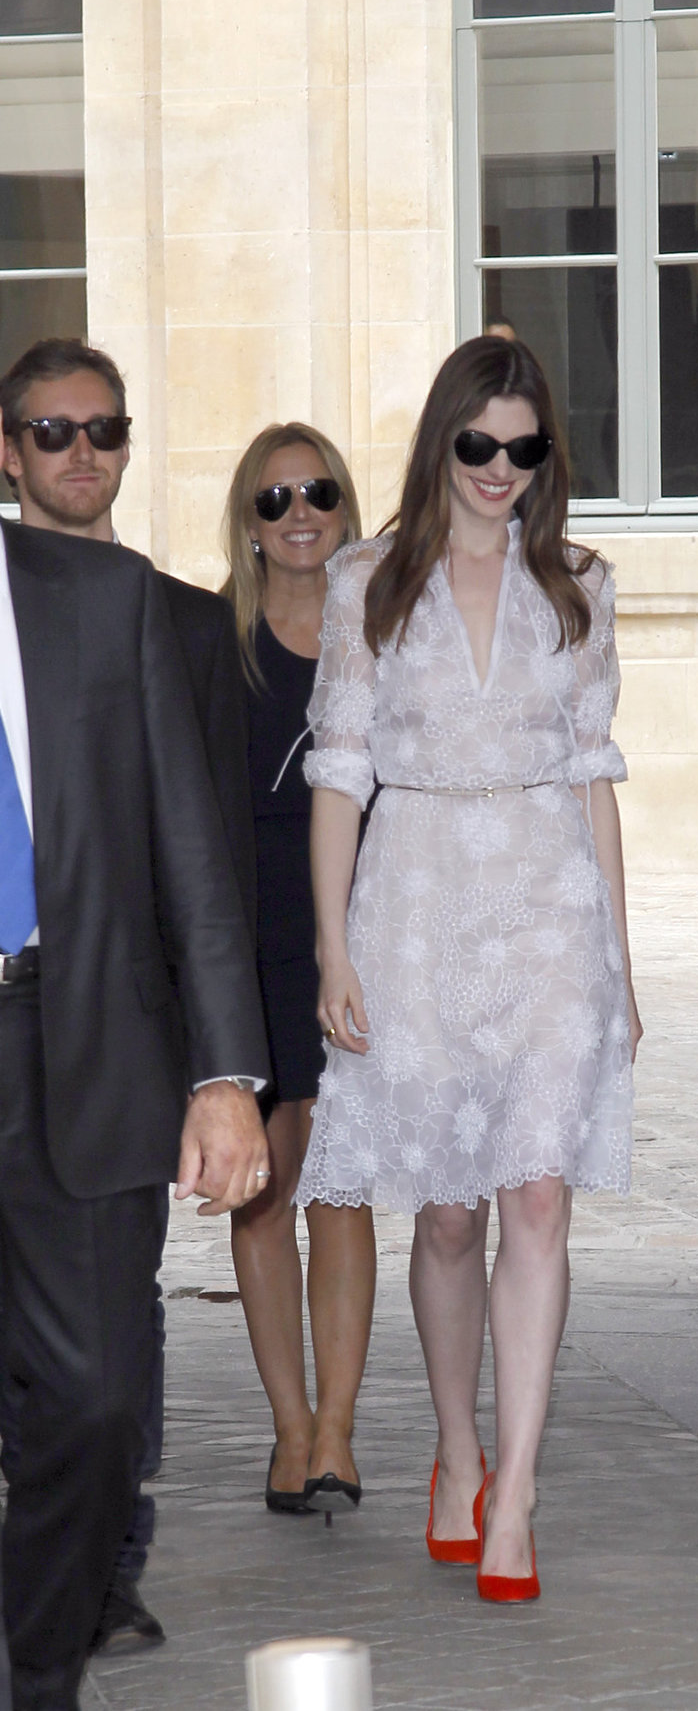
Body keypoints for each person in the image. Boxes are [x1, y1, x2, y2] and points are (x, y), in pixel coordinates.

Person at [297, 335, 640, 1602]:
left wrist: (617, 959)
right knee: (447, 1208)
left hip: (548, 904)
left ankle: (522, 1497)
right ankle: (457, 1451)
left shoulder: (582, 586)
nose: (501, 469)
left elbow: (597, 778)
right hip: (418, 902)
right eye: (478, 444)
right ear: (442, 441)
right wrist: (335, 946)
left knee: (537, 1197)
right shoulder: (367, 582)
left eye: (526, 447)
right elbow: (339, 772)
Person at [0, 398, 269, 1709]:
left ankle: (41, 1662)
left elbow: (191, 851)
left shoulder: (98, 598)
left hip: (79, 1034)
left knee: (98, 1397)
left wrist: (224, 1074)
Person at [220, 424, 378, 1516]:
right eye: (275, 500)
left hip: (361, 931)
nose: (299, 512)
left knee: (346, 1185)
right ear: (250, 522)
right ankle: (287, 1428)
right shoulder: (209, 638)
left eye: (317, 491)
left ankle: (338, 1430)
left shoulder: (387, 631)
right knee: (264, 1188)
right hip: (246, 935)